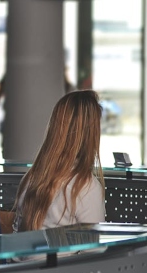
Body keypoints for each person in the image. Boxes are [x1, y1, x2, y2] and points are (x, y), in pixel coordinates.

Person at [13, 90, 105, 232]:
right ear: (91, 134)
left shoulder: (31, 178)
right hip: (68, 255)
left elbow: (16, 236)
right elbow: (94, 250)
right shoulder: (86, 187)